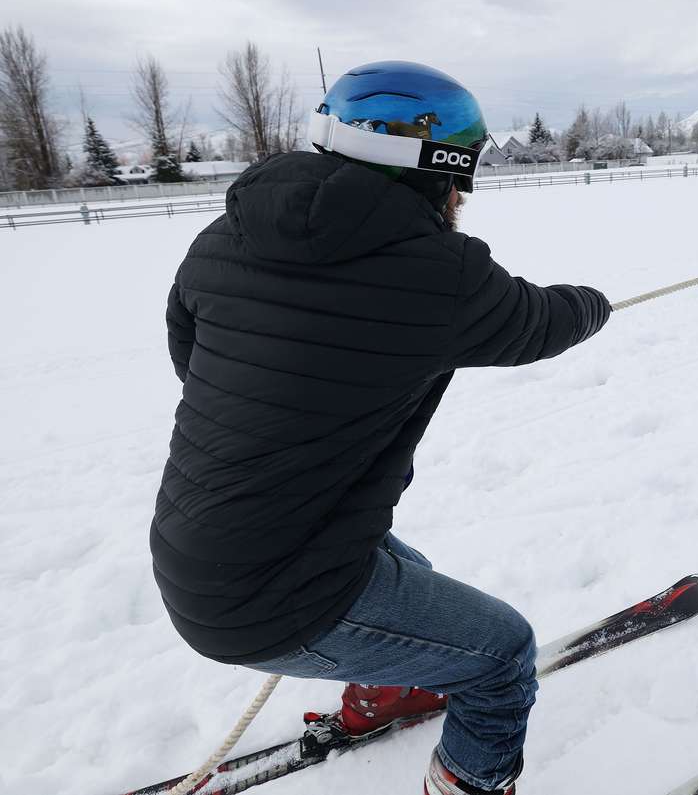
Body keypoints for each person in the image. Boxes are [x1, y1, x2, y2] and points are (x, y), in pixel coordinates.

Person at [151, 60, 611, 795]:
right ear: (439, 170)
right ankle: (468, 782)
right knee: (502, 656)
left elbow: (189, 356)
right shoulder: (438, 272)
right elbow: (543, 322)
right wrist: (600, 302)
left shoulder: (222, 238)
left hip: (194, 546)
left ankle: (388, 687)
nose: (461, 196)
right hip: (270, 596)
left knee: (411, 570)